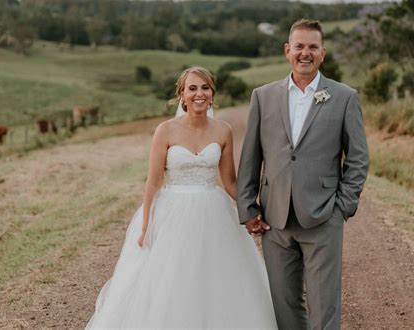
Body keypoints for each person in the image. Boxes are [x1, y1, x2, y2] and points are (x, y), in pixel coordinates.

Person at [86, 66, 277, 329]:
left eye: (205, 88)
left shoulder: (223, 131)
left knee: (217, 277)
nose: (199, 93)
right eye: (193, 88)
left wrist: (251, 210)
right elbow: (153, 182)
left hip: (214, 212)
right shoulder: (165, 131)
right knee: (172, 280)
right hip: (173, 212)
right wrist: (145, 225)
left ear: (212, 94)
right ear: (182, 95)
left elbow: (230, 181)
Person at [237, 19, 369, 330]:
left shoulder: (344, 97)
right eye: (299, 46)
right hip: (275, 220)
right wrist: (248, 208)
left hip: (323, 216)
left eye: (312, 47)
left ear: (323, 52)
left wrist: (342, 207)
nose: (305, 53)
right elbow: (250, 157)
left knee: (324, 306)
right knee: (283, 305)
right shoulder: (263, 96)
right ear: (287, 51)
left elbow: (358, 158)